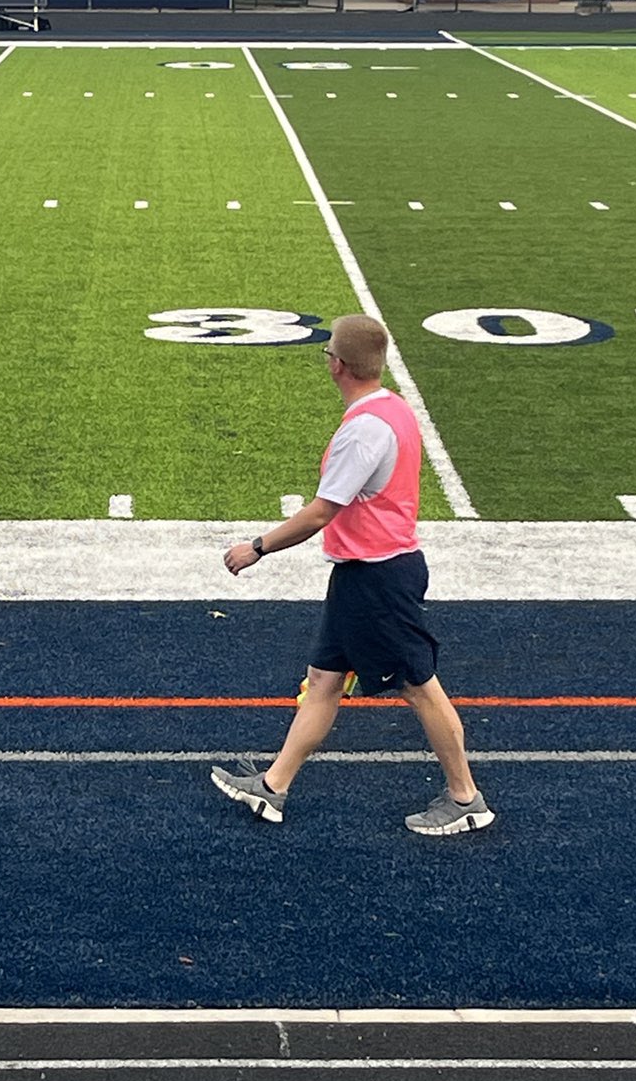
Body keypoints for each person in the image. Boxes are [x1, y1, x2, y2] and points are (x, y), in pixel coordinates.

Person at [210, 314, 495, 837]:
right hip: (363, 575)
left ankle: (466, 798)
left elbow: (322, 511)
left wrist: (256, 548)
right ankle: (273, 787)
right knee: (322, 681)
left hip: (379, 579)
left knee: (419, 687)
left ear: (337, 364)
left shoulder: (364, 431)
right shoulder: (394, 408)